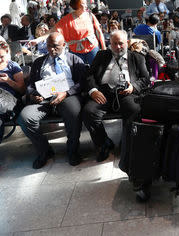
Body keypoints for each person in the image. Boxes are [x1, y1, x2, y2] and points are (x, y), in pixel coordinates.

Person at [17, 32, 87, 169]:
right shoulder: (39, 62)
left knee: (74, 113)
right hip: (44, 98)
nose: (51, 50)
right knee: (24, 118)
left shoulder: (74, 60)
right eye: (49, 46)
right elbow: (31, 85)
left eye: (55, 46)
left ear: (64, 45)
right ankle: (44, 151)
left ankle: (73, 150)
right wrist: (34, 94)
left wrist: (66, 93)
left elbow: (82, 83)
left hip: (67, 95)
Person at [82, 30, 149, 164]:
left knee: (135, 110)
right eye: (114, 44)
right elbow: (89, 75)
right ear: (109, 43)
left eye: (121, 43)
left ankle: (127, 142)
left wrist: (133, 87)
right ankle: (104, 143)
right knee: (89, 112)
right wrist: (93, 90)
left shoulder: (137, 57)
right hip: (103, 92)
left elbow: (145, 78)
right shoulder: (101, 55)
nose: (118, 47)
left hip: (126, 93)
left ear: (127, 43)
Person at [29, 0, 106, 65]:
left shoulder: (90, 15)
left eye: (86, 3)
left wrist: (104, 48)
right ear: (77, 5)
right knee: (79, 74)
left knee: (96, 72)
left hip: (92, 48)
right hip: (76, 52)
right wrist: (38, 40)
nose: (86, 6)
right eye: (84, 4)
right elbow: (52, 31)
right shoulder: (67, 19)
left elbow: (99, 32)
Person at [0, 41, 25, 144]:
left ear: (7, 52)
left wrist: (8, 81)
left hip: (9, 100)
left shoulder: (12, 66)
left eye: (1, 56)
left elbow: (22, 90)